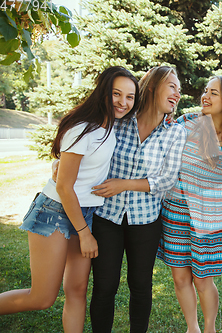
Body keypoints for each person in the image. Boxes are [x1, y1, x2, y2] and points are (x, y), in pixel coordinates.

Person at [0, 66, 138, 332]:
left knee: (77, 290)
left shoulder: (110, 126)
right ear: (103, 93)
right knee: (42, 298)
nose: (123, 102)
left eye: (130, 97)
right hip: (55, 211)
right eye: (116, 94)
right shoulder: (83, 128)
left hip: (83, 212)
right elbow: (64, 186)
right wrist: (85, 234)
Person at [89, 66, 186, 333]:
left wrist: (124, 185)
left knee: (141, 286)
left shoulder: (175, 132)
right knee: (105, 285)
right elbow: (88, 147)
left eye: (178, 89)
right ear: (153, 87)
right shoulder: (118, 118)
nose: (178, 94)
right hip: (106, 216)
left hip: (146, 220)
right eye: (172, 87)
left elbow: (167, 181)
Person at [156, 76, 222, 333]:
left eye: (214, 93)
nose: (205, 96)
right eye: (206, 91)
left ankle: (209, 329)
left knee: (203, 279)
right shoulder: (187, 123)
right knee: (180, 277)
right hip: (174, 212)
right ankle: (192, 328)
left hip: (208, 220)